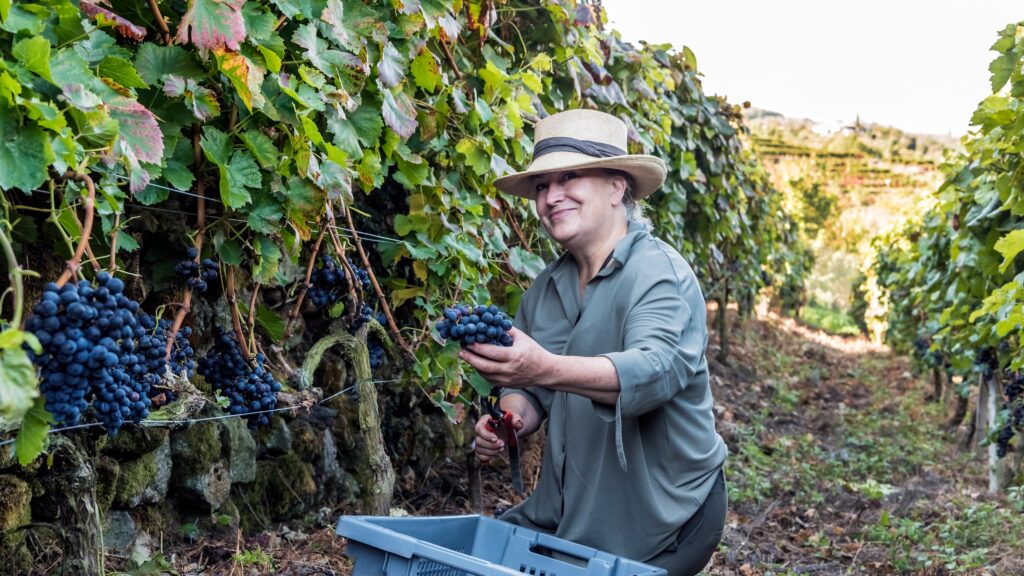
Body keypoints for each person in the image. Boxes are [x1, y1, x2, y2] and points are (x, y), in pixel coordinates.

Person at [459, 108, 728, 576]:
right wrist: (511, 420)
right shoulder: (546, 288)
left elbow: (652, 371)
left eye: (569, 177)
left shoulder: (659, 274)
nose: (551, 196)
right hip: (575, 518)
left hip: (664, 519)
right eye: (541, 186)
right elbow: (531, 390)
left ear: (617, 187)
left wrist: (543, 367)